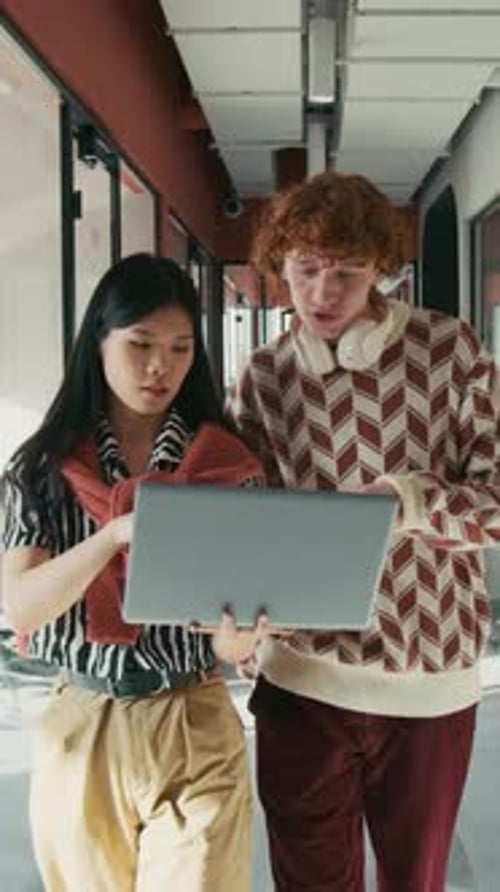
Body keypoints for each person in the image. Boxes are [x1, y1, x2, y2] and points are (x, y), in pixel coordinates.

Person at [229, 172, 500, 892]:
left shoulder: (450, 351)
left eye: (347, 272)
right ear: (279, 265)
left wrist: (405, 502)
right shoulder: (264, 378)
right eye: (305, 270)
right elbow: (247, 527)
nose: (322, 293)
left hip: (428, 684)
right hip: (301, 683)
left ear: (383, 268)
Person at [1, 253, 265, 892]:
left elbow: (231, 643)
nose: (159, 367)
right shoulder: (42, 470)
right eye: (140, 344)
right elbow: (22, 606)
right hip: (83, 722)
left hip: (194, 715)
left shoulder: (225, 463)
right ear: (99, 342)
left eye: (179, 349)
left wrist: (242, 638)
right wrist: (115, 536)